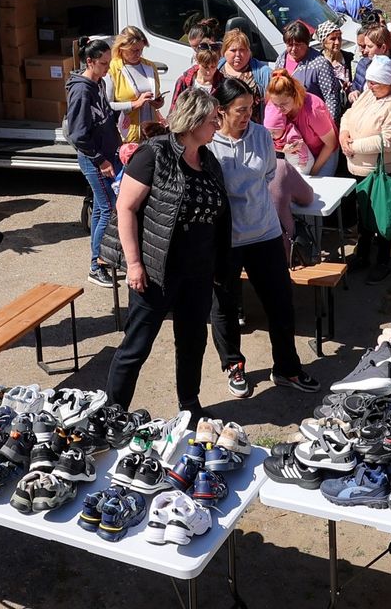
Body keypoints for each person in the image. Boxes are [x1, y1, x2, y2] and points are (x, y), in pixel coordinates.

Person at [103, 89, 229, 418]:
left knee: (192, 342)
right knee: (137, 346)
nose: (218, 124)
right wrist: (134, 264)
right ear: (194, 120)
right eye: (214, 119)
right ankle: (112, 413)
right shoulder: (154, 153)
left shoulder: (208, 159)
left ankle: (190, 405)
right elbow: (125, 208)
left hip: (198, 270)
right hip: (157, 268)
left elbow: (220, 215)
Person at [208, 79, 319, 398]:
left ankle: (287, 368)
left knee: (280, 303)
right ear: (222, 111)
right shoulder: (209, 143)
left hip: (265, 233)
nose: (247, 115)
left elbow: (269, 175)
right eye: (240, 110)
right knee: (225, 304)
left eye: (251, 108)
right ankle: (233, 364)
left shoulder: (260, 136)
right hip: (227, 239)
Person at [340, 56, 391, 282]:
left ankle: (382, 261)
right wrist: (344, 135)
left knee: (383, 218)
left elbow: (388, 141)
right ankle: (362, 255)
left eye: (375, 83)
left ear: (388, 82)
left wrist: (353, 146)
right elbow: (348, 114)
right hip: (358, 167)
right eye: (369, 81)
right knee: (363, 218)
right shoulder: (368, 94)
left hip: (382, 171)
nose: (370, 86)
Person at [66, 40, 121, 288]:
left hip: (108, 153)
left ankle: (100, 258)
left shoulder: (98, 83)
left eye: (109, 62)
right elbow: (79, 134)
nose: (108, 68)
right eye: (103, 63)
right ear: (90, 62)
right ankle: (96, 264)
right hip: (95, 160)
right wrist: (100, 160)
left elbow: (105, 116)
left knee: (101, 208)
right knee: (110, 207)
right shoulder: (82, 90)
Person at [264, 68, 339, 176]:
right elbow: (270, 139)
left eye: (284, 104)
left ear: (295, 95)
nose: (279, 109)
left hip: (324, 152)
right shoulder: (274, 105)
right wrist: (283, 149)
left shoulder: (313, 110)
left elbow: (331, 144)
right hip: (300, 154)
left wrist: (313, 172)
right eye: (276, 104)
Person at [275, 20, 344, 121]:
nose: (293, 49)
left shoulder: (320, 64)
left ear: (307, 44)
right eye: (290, 45)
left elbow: (331, 98)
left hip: (312, 120)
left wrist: (329, 125)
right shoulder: (282, 59)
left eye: (298, 45)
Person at [106, 26, 163, 144]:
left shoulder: (150, 66)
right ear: (121, 48)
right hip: (128, 136)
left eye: (141, 50)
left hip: (152, 133)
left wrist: (158, 102)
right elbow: (107, 105)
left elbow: (157, 95)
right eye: (134, 50)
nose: (139, 54)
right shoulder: (112, 68)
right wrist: (134, 104)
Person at [219, 28, 271, 114]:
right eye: (233, 50)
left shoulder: (264, 73)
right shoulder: (216, 69)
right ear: (224, 52)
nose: (238, 55)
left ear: (249, 52)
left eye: (242, 50)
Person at [315, 20, 354, 112]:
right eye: (332, 39)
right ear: (323, 41)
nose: (337, 42)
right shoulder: (318, 62)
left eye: (339, 38)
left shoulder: (349, 58)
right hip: (329, 109)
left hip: (349, 107)